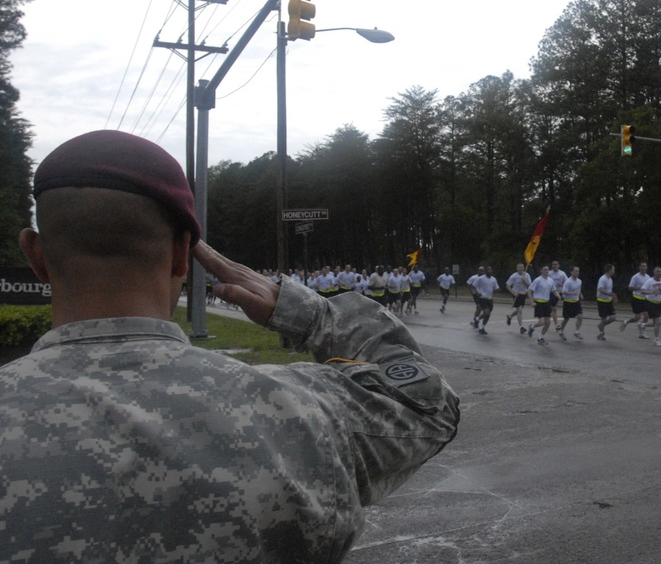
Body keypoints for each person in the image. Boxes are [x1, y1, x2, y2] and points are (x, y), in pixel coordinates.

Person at [1, 130, 459, 562]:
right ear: (184, 254)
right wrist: (311, 313)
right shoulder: (300, 412)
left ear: (36, 255)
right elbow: (426, 404)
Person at [527, 265, 557, 345]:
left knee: (548, 322)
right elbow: (529, 290)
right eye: (545, 270)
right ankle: (532, 326)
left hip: (547, 303)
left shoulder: (551, 280)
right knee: (541, 322)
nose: (547, 271)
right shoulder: (538, 280)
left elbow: (554, 290)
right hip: (539, 302)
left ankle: (541, 338)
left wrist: (557, 295)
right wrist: (531, 301)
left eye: (548, 269)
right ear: (541, 271)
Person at [621, 261, 651, 339]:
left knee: (646, 316)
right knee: (637, 317)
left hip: (645, 299)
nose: (644, 268)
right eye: (642, 266)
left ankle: (642, 333)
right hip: (636, 298)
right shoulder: (636, 277)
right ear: (639, 267)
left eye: (645, 266)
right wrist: (638, 288)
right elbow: (630, 287)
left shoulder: (648, 277)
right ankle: (626, 322)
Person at [641, 266, 661, 347]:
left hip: (658, 303)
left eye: (660, 271)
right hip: (650, 302)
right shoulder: (650, 281)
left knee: (654, 323)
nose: (659, 273)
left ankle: (643, 325)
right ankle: (656, 339)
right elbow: (642, 290)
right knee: (658, 322)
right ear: (654, 272)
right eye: (657, 271)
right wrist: (651, 292)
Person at [557, 266, 585, 341]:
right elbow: (563, 292)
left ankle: (576, 331)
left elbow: (578, 290)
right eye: (575, 271)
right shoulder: (568, 282)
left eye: (578, 271)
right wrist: (572, 293)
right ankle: (561, 331)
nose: (577, 273)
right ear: (571, 272)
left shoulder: (579, 281)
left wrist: (580, 294)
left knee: (580, 316)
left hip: (576, 302)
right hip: (568, 302)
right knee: (566, 319)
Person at [471, 266, 500, 335]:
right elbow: (473, 287)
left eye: (491, 270)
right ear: (486, 271)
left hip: (490, 299)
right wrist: (477, 293)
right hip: (483, 298)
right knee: (486, 313)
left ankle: (482, 328)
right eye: (488, 270)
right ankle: (477, 319)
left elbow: (496, 288)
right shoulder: (480, 278)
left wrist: (497, 290)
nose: (490, 271)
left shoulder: (494, 279)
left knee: (488, 315)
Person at [505, 263, 532, 333]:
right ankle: (521, 327)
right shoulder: (514, 276)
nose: (521, 268)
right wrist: (513, 293)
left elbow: (530, 285)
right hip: (516, 294)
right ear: (517, 268)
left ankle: (510, 316)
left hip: (523, 294)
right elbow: (507, 285)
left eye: (522, 267)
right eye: (519, 267)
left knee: (518, 311)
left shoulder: (527, 275)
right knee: (520, 310)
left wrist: (525, 280)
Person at [596, 264, 617, 340]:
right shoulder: (603, 279)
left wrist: (613, 297)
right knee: (604, 319)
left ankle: (600, 326)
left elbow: (610, 291)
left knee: (613, 318)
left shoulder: (610, 279)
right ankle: (601, 333)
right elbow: (600, 289)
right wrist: (609, 294)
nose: (614, 271)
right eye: (613, 270)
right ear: (609, 270)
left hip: (608, 301)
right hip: (601, 301)